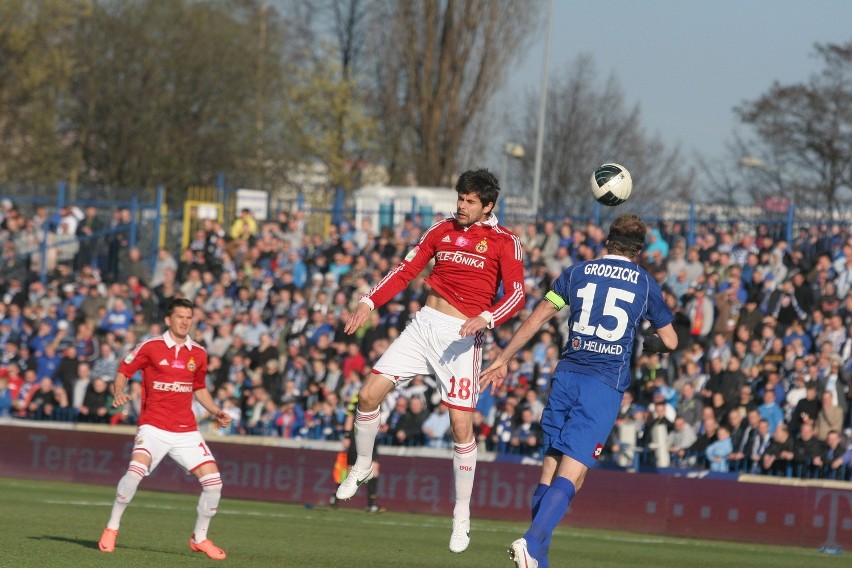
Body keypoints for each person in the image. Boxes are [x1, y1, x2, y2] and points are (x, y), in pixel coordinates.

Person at [334, 168, 525, 553]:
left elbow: (517, 294)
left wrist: (487, 317)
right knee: (368, 397)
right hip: (422, 327)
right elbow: (405, 271)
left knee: (460, 427)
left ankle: (461, 515)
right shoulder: (440, 229)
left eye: (471, 201)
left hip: (460, 339)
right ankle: (363, 465)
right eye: (460, 198)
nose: (462, 205)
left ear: (488, 205)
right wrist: (369, 301)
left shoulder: (506, 242)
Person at [479, 213, 677, 568]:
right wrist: (650, 343)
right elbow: (671, 340)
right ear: (639, 251)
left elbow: (538, 316)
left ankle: (538, 559)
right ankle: (530, 543)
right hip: (602, 385)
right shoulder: (644, 283)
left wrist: (503, 358)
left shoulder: (578, 272)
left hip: (566, 376)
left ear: (607, 242)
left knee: (552, 471)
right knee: (573, 474)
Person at [98, 298, 231, 560]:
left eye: (188, 317)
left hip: (186, 431)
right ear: (168, 320)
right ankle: (112, 528)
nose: (184, 321)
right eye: (179, 316)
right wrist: (118, 392)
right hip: (154, 426)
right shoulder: (150, 346)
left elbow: (199, 388)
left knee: (214, 483)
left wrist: (216, 411)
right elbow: (124, 370)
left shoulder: (199, 353)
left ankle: (199, 538)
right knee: (135, 472)